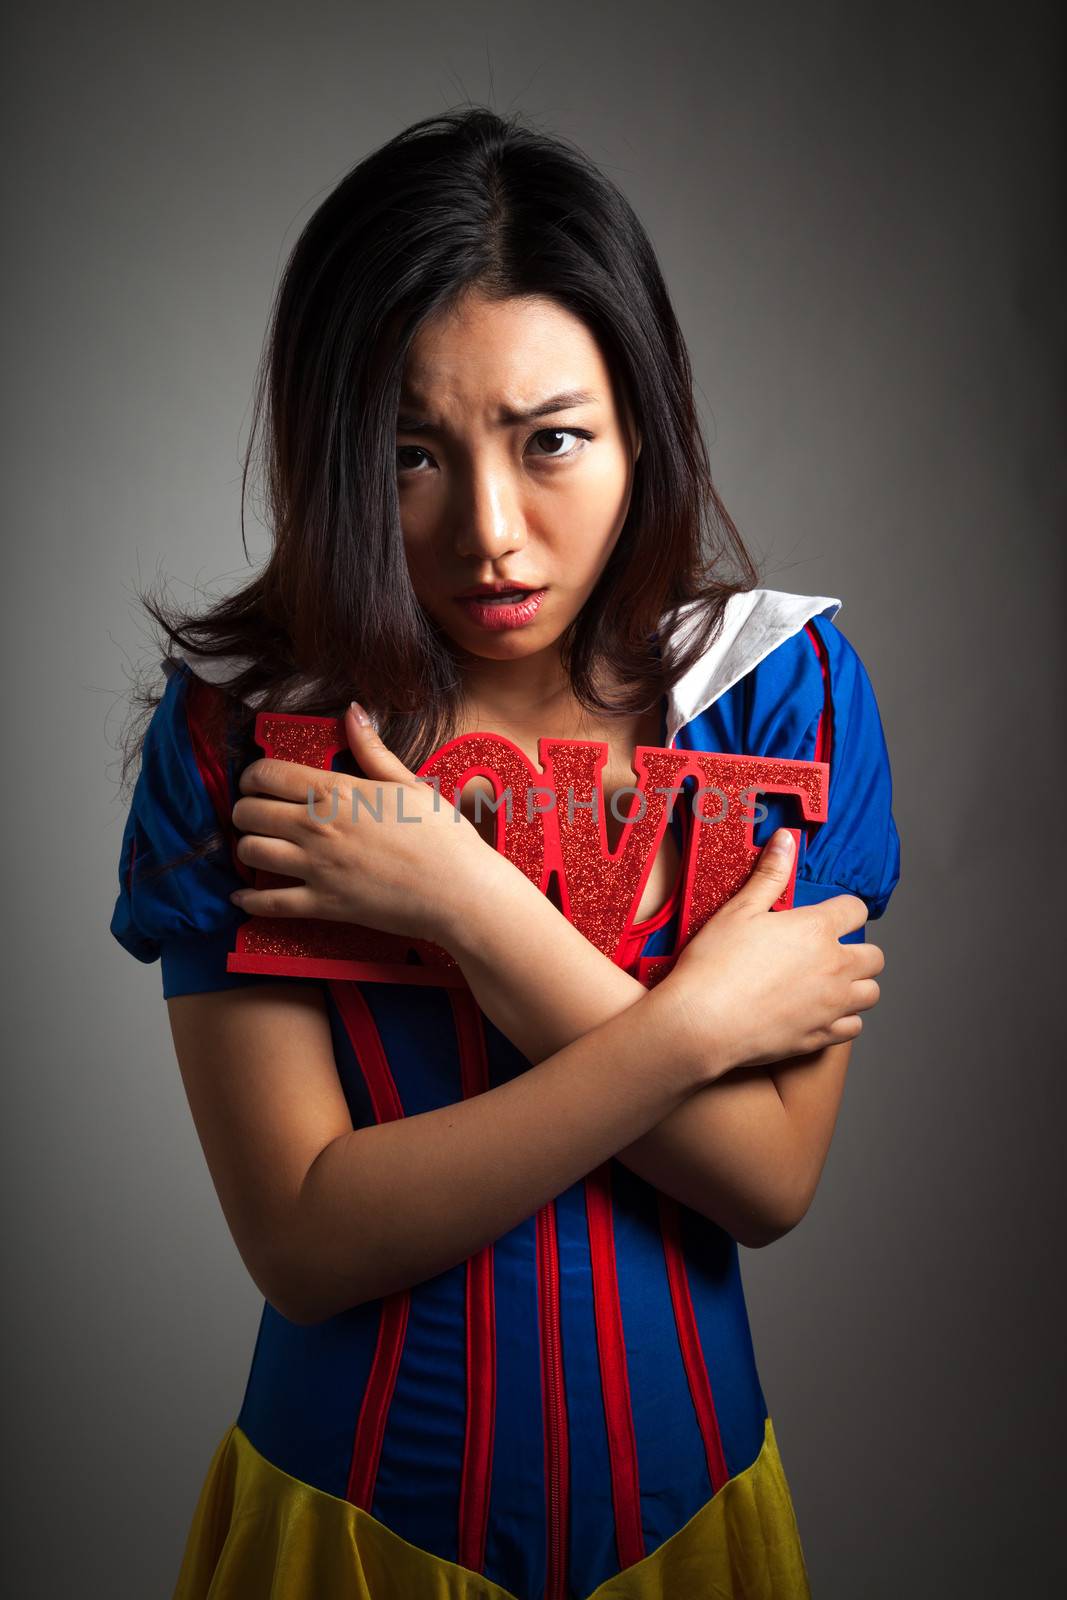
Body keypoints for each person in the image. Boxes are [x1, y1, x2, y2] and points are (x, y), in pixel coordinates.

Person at [109, 106, 900, 1600]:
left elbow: (771, 1177)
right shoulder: (243, 736)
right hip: (345, 1538)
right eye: (412, 453)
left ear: (640, 421)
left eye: (553, 442)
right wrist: (693, 1026)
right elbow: (303, 1237)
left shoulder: (781, 692)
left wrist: (470, 906)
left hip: (696, 1532)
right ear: (334, 448)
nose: (491, 532)